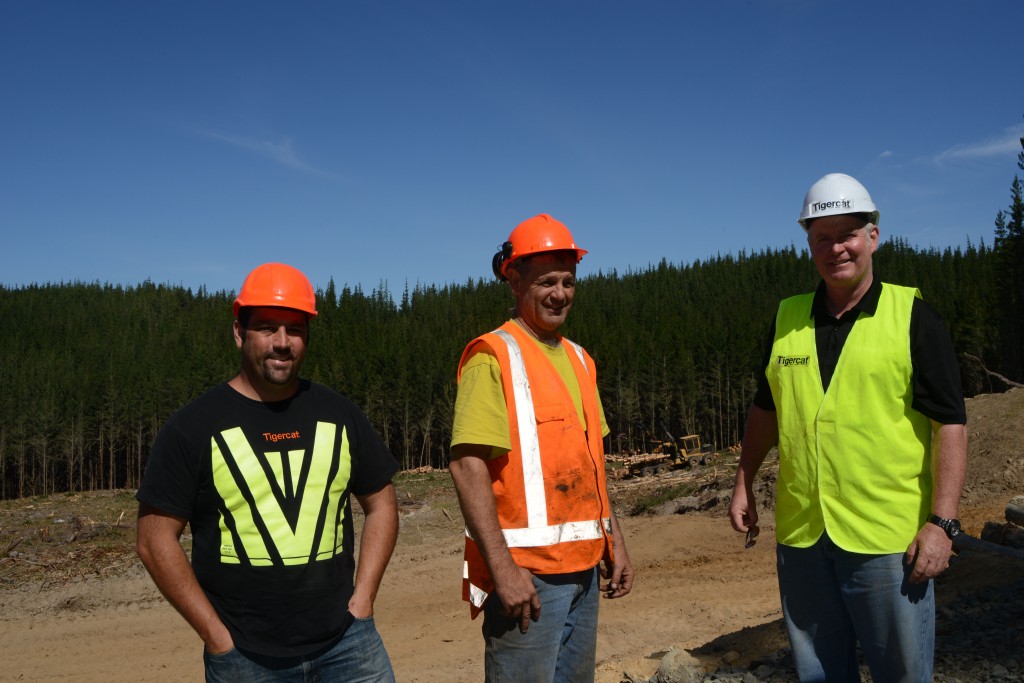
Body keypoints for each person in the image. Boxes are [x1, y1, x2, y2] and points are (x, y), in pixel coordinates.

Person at [729, 174, 968, 682]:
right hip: (803, 538)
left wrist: (942, 524)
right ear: (809, 244)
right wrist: (743, 480)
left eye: (848, 234)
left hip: (888, 541)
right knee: (819, 673)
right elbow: (766, 408)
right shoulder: (786, 318)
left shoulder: (913, 317)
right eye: (822, 236)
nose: (836, 247)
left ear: (873, 237)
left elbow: (950, 423)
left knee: (901, 674)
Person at [136, 262, 400, 682]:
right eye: (267, 328)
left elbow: (382, 502)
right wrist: (216, 636)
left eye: (294, 330)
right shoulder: (192, 427)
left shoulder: (339, 413)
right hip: (245, 659)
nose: (282, 343)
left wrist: (363, 600)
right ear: (239, 333)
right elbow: (154, 541)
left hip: (349, 645)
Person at [449, 214, 635, 682]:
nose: (560, 294)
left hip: (586, 570)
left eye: (568, 282)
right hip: (527, 578)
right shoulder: (493, 355)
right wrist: (504, 570)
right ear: (514, 281)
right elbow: (466, 465)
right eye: (546, 281)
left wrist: (615, 542)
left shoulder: (579, 359)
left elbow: (592, 467)